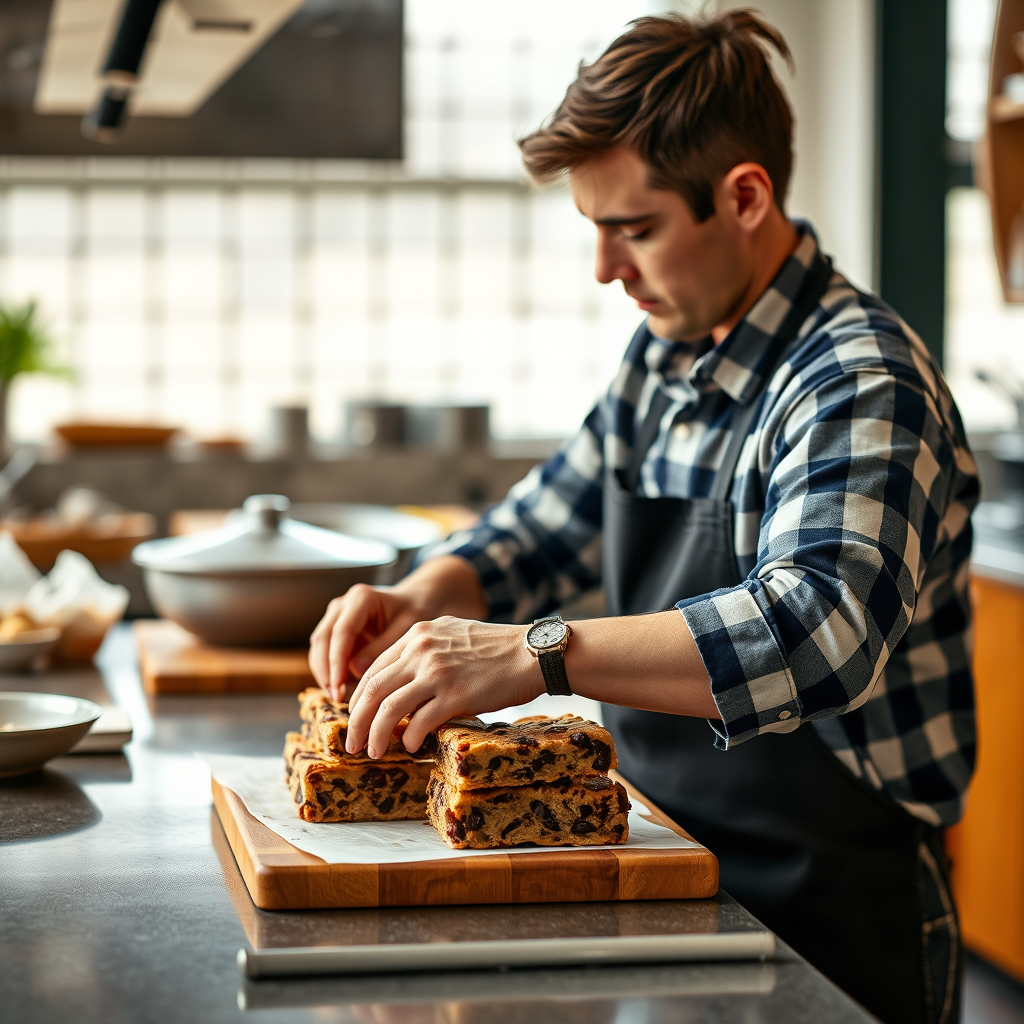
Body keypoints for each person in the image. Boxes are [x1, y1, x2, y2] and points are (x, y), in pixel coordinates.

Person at [309, 10, 978, 1024]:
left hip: (836, 909)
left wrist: (533, 651)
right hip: (665, 870)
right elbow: (546, 526)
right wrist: (421, 595)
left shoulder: (857, 379)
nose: (604, 269)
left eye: (633, 228)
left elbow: (815, 632)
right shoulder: (665, 356)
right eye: (593, 229)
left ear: (743, 195)